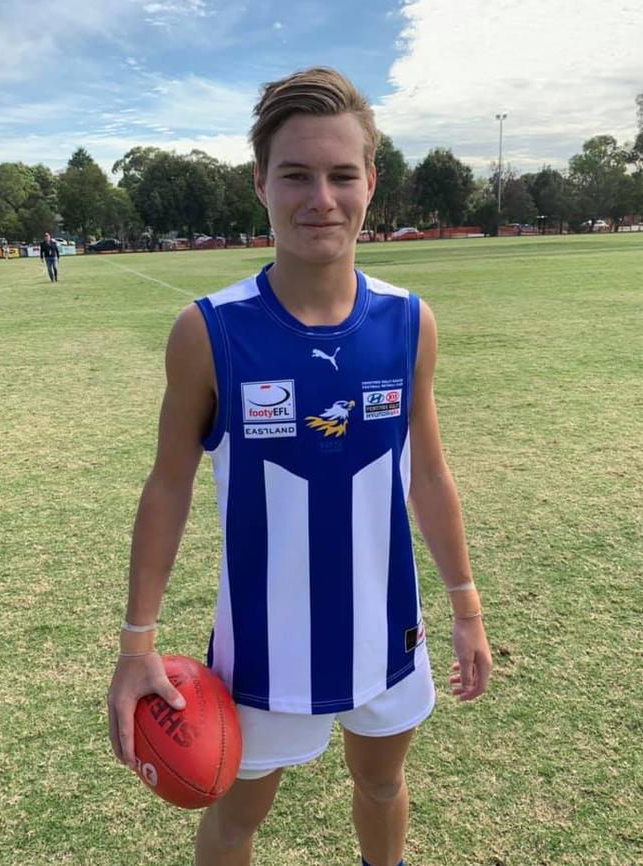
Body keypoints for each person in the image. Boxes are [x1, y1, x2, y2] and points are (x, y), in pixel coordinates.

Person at [107, 67, 492, 866]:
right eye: (296, 174)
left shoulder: (410, 321)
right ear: (260, 184)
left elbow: (429, 475)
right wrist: (136, 643)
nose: (322, 197)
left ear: (370, 183)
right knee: (237, 817)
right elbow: (168, 486)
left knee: (383, 786)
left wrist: (467, 607)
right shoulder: (209, 331)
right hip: (262, 651)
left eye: (342, 174)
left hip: (390, 632)